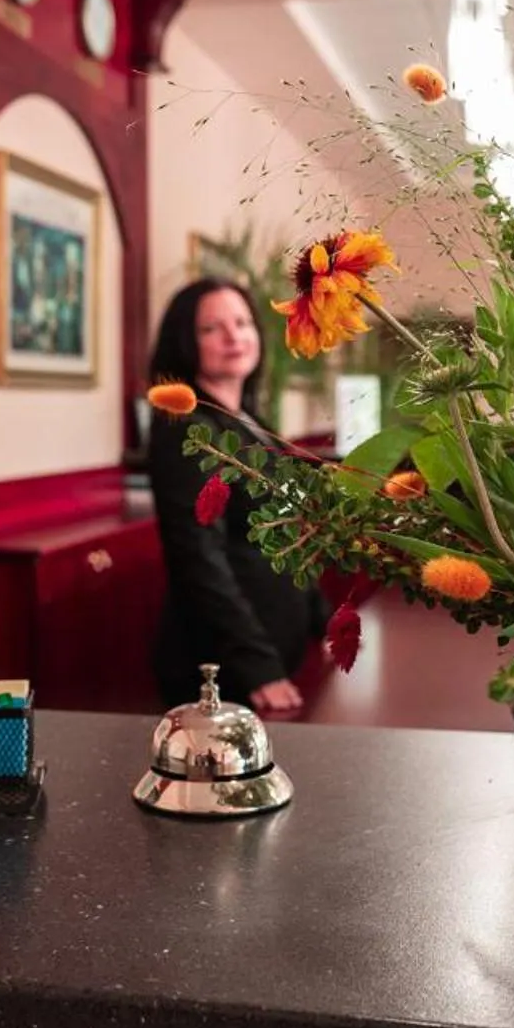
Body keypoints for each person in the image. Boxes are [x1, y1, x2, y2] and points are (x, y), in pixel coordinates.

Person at [145, 278, 325, 716]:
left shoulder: (247, 421)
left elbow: (288, 534)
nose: (233, 336)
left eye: (242, 322)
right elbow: (197, 556)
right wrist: (257, 666)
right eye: (211, 328)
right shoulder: (187, 428)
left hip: (277, 649)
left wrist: (323, 621)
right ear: (185, 342)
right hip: (225, 671)